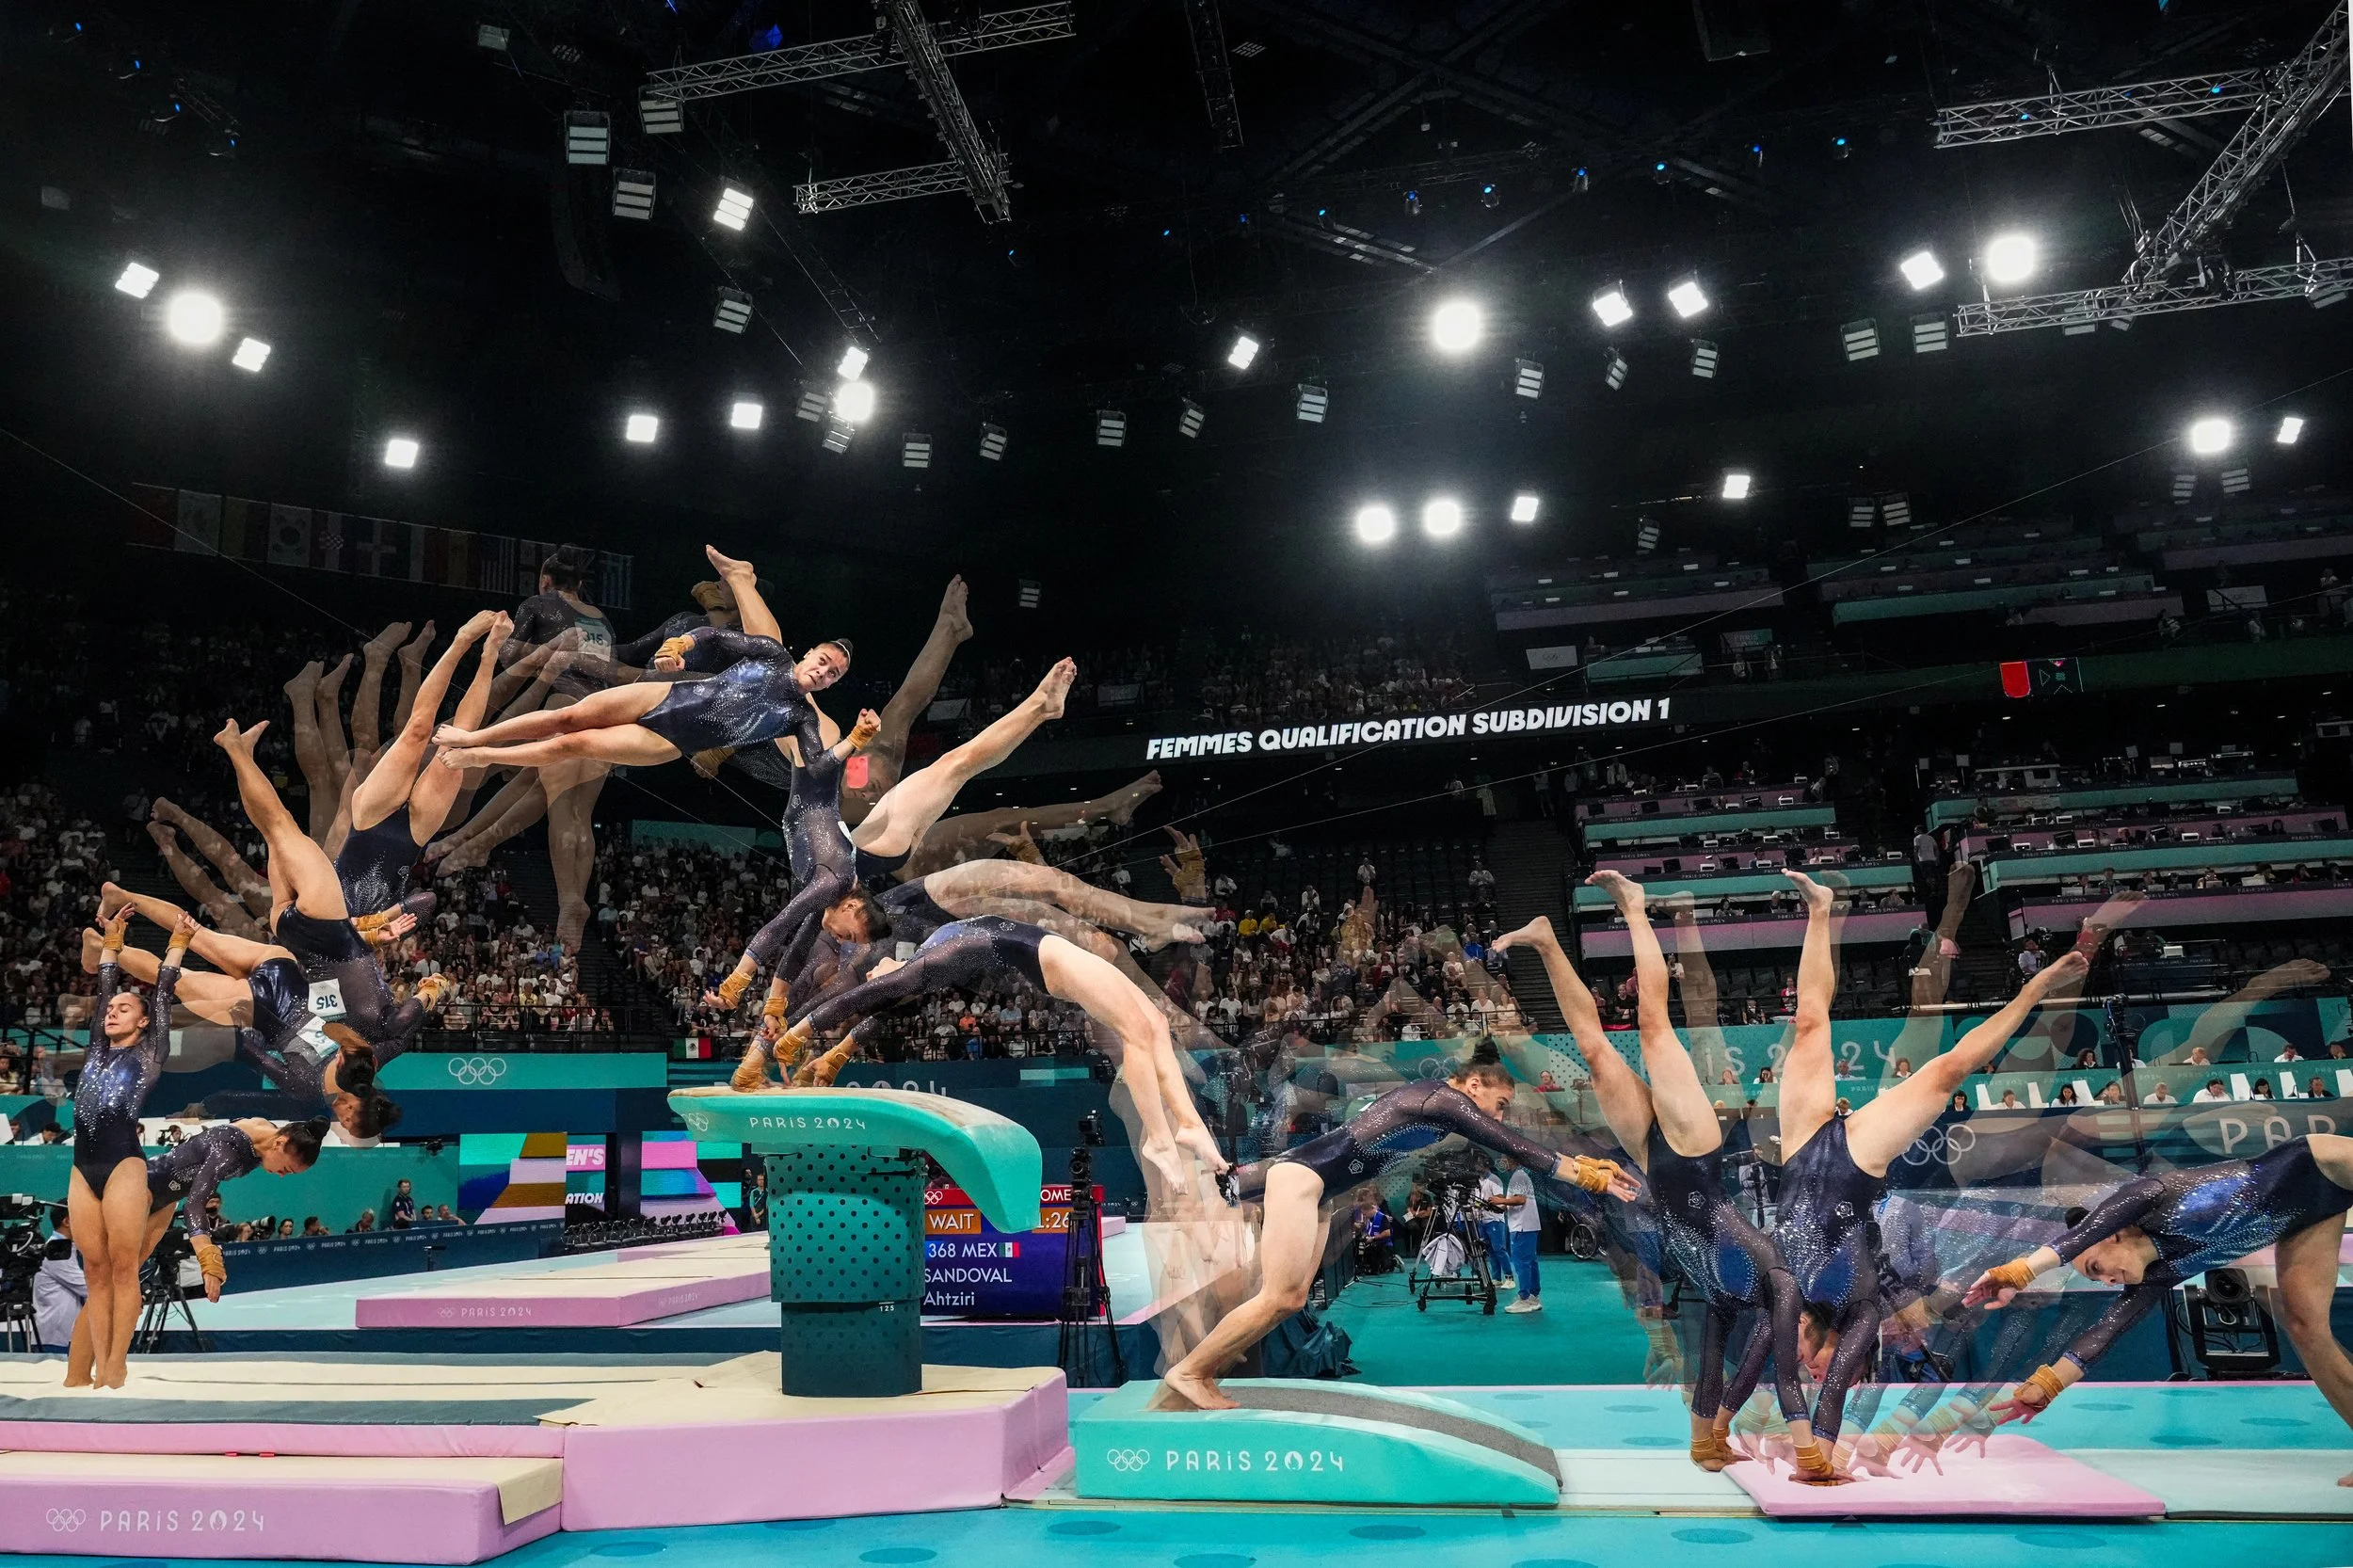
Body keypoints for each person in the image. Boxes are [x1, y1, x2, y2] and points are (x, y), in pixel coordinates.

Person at [1768, 869, 2100, 1481]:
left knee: (1812, 1022)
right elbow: (1840, 1386)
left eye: (1807, 1368)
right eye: (1818, 1370)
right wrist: (1827, 1451)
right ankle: (2037, 989)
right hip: (1856, 1162)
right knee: (1947, 1073)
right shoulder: (1860, 1316)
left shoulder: (1785, 1307)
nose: (1811, 1372)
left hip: (1801, 1148)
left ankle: (1819, 908)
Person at [1496, 885, 1805, 1470]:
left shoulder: (1718, 1292)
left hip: (1653, 1159)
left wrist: (1707, 1440)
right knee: (1654, 1028)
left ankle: (1545, 939)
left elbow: (1709, 1359)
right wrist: (1795, 1434)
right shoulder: (1756, 1269)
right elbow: (1770, 1333)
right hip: (1694, 1149)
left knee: (1593, 1049)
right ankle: (1636, 907)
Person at [1156, 1039, 1637, 1411]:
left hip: (1316, 1187)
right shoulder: (1445, 1099)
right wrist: (1591, 1175)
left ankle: (1209, 1363)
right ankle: (1191, 1371)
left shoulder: (1442, 1106)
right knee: (1280, 1295)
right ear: (1474, 1085)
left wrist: (1586, 1163)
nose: (1500, 1111)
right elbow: (1514, 1143)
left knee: (1290, 1298)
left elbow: (1517, 1141)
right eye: (1501, 1100)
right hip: (1301, 1178)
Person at [746, 911, 1225, 1192]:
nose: (877, 978)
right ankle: (1159, 1137)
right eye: (880, 981)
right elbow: (866, 1000)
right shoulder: (923, 967)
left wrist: (825, 1047)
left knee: (1157, 1024)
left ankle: (1188, 1126)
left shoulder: (919, 955)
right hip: (1053, 959)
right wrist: (797, 1032)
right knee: (1137, 1031)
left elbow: (877, 1008)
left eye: (877, 975)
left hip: (1053, 954)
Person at [1965, 1135, 2353, 1480]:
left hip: (2322, 1161)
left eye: (2097, 1268)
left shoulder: (2152, 1195)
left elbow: (2080, 1235)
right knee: (2306, 1328)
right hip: (2309, 1218)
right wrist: (2046, 1388)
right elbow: (2106, 1332)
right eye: (2097, 1280)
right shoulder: (2158, 1275)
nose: (2106, 1281)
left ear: (2112, 1234)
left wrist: (2014, 1274)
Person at [68, 907, 193, 1387]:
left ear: (143, 1024)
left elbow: (161, 993)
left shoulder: (149, 1051)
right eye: (113, 1009)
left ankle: (116, 1368)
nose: (114, 1012)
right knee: (95, 1271)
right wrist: (111, 944)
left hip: (123, 1164)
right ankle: (98, 1369)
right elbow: (103, 992)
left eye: (125, 1009)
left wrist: (177, 943)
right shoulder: (98, 1049)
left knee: (123, 1267)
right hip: (82, 1167)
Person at [334, 611, 509, 916]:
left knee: (417, 730)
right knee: (459, 743)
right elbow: (424, 902)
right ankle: (491, 652)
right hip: (411, 838)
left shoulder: (320, 927)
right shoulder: (376, 944)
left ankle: (461, 640)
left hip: (367, 822)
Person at [31, 1209, 86, 1354]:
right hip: (55, 1338)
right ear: (67, 1222)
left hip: (65, 1335)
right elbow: (87, 1287)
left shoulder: (68, 1247)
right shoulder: (57, 1249)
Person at [1500, 1156, 1544, 1314]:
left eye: (1505, 1158)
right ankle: (1533, 1297)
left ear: (1513, 1160)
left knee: (1521, 1263)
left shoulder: (1518, 1176)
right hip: (1528, 1226)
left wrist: (1500, 1203)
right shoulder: (1522, 1175)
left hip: (1522, 1227)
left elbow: (1520, 1199)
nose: (1502, 1161)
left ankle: (1524, 1298)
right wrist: (1502, 1202)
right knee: (1530, 1262)